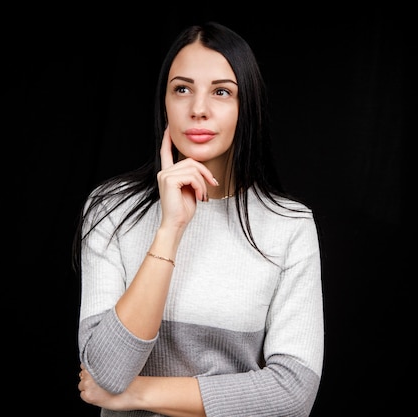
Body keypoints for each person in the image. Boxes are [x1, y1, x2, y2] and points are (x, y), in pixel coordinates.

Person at [74, 21, 324, 416]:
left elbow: (293, 392)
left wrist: (138, 394)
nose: (198, 109)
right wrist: (169, 230)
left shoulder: (288, 225)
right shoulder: (111, 209)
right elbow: (106, 373)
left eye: (222, 92)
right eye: (182, 89)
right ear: (165, 103)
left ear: (248, 108)